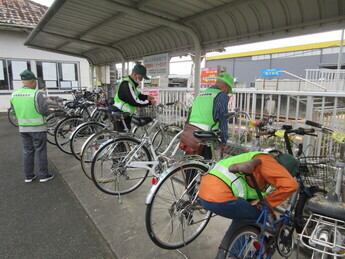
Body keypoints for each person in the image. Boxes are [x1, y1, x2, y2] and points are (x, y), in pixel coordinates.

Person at [198, 151, 299, 231]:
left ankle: (228, 247)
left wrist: (271, 214)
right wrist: (269, 201)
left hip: (204, 194)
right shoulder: (269, 162)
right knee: (256, 217)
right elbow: (291, 185)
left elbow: (258, 201)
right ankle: (234, 254)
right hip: (220, 197)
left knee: (245, 212)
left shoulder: (254, 161)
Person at [10, 70, 54, 183]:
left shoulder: (14, 94)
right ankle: (44, 175)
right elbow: (43, 110)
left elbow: (14, 111)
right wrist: (50, 111)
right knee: (41, 151)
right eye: (35, 81)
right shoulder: (36, 94)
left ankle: (29, 176)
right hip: (38, 128)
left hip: (23, 128)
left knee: (27, 151)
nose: (36, 83)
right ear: (32, 81)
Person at [180, 72, 234, 158]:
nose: (227, 93)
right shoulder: (221, 95)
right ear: (226, 87)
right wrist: (224, 142)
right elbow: (222, 120)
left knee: (193, 164)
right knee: (209, 165)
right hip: (206, 136)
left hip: (191, 134)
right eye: (228, 91)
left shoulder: (201, 94)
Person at [110, 64, 157, 132]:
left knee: (124, 137)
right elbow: (134, 101)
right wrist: (149, 102)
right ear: (135, 74)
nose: (141, 79)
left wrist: (147, 97)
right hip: (121, 114)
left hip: (124, 114)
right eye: (141, 77)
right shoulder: (127, 84)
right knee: (123, 138)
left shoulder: (131, 84)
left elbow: (138, 95)